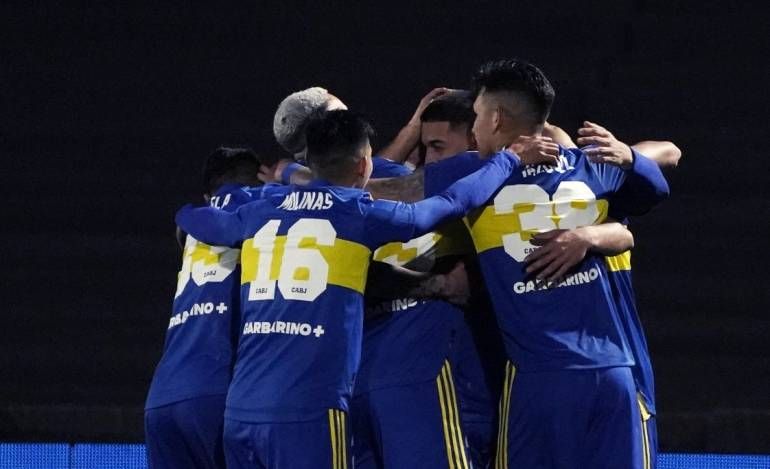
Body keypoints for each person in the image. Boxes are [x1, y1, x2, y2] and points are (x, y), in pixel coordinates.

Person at [173, 110, 543, 469]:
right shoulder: (359, 216)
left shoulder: (257, 214)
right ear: (365, 165)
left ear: (311, 162)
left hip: (241, 412)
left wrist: (185, 215)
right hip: (311, 409)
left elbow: (194, 219)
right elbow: (451, 203)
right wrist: (508, 159)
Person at [424, 59, 670, 469]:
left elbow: (387, 192)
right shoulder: (593, 167)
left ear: (497, 119)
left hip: (539, 379)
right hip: (614, 373)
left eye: (478, 117)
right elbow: (662, 175)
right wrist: (627, 158)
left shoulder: (469, 172)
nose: (474, 129)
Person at [144, 147, 266, 469]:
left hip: (162, 397)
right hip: (219, 391)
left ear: (208, 193)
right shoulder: (265, 210)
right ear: (259, 178)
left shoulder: (194, 225)